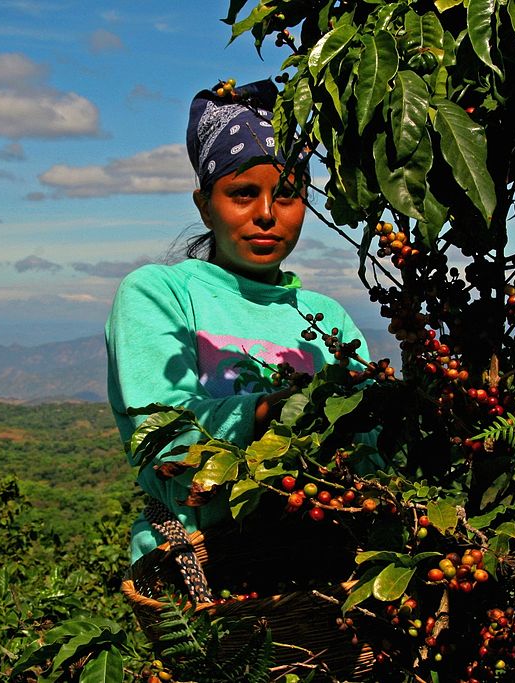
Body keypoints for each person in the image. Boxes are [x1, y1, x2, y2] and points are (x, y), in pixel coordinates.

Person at [106, 79, 373, 565]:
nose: (267, 214)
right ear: (205, 205)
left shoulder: (328, 319)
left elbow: (370, 454)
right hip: (202, 570)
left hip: (323, 564)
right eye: (243, 193)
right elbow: (167, 442)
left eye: (288, 194)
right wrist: (275, 410)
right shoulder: (160, 295)